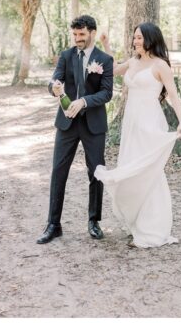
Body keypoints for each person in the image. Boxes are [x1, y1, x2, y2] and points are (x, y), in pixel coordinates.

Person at [94, 22, 181, 248]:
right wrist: (106, 44)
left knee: (148, 171)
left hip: (149, 122)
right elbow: (111, 69)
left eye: (140, 38)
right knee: (132, 170)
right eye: (134, 38)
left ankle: (151, 229)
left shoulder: (160, 65)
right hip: (131, 123)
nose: (136, 41)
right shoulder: (133, 62)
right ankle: (136, 222)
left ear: (151, 40)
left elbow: (172, 94)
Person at [37, 15, 114, 244]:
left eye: (81, 35)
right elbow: (53, 81)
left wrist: (84, 101)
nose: (78, 39)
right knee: (58, 171)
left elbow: (107, 92)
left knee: (95, 173)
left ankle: (94, 221)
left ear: (92, 32)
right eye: (75, 35)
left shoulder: (105, 60)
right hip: (67, 123)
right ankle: (53, 224)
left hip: (93, 124)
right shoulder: (66, 55)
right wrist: (55, 88)